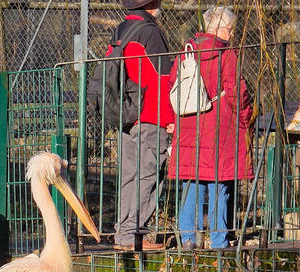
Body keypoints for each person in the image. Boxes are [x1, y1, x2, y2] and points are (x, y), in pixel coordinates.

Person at [168, 6, 254, 249]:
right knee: (220, 185)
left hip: (189, 127)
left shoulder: (186, 52)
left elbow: (172, 85)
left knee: (191, 182)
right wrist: (246, 117)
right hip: (220, 129)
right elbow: (238, 93)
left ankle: (188, 238)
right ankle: (219, 241)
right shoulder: (227, 55)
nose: (233, 34)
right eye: (231, 29)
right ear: (223, 28)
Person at [109, 0, 175, 251]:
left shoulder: (120, 30)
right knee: (149, 177)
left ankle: (123, 235)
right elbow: (163, 78)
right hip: (151, 116)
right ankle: (132, 235)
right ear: (152, 5)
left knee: (129, 177)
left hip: (126, 115)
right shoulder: (151, 32)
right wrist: (170, 119)